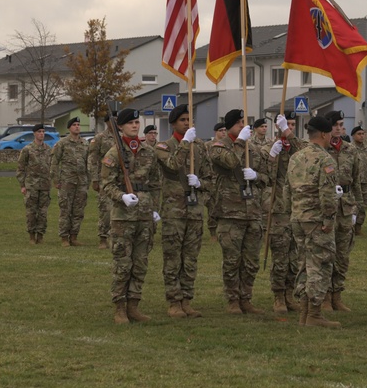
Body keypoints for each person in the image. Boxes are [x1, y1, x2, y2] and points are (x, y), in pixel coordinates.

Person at [101, 108, 162, 324]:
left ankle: (134, 305)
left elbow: (155, 183)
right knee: (122, 262)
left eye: (137, 122)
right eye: (130, 123)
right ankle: (119, 307)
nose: (135, 126)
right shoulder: (113, 153)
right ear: (121, 127)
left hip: (144, 213)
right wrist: (122, 196)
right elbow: (106, 184)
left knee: (140, 261)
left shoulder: (148, 151)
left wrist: (155, 208)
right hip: (123, 215)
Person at [208, 109, 270, 315]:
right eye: (240, 123)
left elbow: (267, 177)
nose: (244, 126)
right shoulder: (218, 147)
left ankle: (246, 298)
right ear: (231, 126)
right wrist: (239, 143)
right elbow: (231, 161)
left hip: (252, 211)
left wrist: (256, 176)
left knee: (251, 260)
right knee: (232, 260)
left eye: (246, 122)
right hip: (230, 212)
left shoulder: (252, 149)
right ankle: (233, 300)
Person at [288, 115, 341, 328]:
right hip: (317, 220)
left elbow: (286, 188)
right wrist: (329, 219)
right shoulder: (325, 159)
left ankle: (304, 312)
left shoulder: (295, 157)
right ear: (323, 134)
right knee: (320, 264)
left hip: (298, 217)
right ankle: (315, 314)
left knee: (304, 264)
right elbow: (327, 193)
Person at [154, 104, 206, 319]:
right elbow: (174, 165)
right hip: (174, 210)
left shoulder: (200, 146)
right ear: (173, 123)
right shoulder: (163, 147)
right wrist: (185, 143)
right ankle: (174, 301)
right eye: (183, 120)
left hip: (194, 210)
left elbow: (211, 176)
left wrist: (201, 182)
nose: (187, 123)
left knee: (191, 258)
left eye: (189, 119)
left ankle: (187, 299)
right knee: (173, 257)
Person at [322, 110, 361, 313]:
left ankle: (337, 294)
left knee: (342, 254)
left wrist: (357, 207)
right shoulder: (321, 149)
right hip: (326, 205)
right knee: (326, 252)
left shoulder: (350, 150)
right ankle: (325, 297)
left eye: (340, 124)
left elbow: (357, 180)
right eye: (335, 124)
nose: (339, 128)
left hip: (345, 206)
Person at [264, 111, 303, 314]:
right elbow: (263, 176)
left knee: (294, 255)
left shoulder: (298, 146)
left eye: (293, 124)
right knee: (280, 254)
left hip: (297, 207)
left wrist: (288, 134)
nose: (290, 126)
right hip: (278, 208)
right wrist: (271, 157)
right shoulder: (269, 145)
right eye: (286, 124)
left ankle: (290, 293)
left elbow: (307, 153)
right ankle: (278, 295)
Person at [50, 117, 90, 247]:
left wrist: (89, 179)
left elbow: (89, 162)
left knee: (78, 210)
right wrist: (55, 179)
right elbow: (55, 162)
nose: (77, 127)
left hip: (81, 182)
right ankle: (64, 238)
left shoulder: (85, 144)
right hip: (67, 181)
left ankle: (74, 236)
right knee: (65, 210)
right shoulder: (62, 143)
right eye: (74, 125)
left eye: (78, 124)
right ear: (69, 128)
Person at [16, 123, 53, 245]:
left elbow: (52, 166)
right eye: (39, 132)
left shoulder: (48, 149)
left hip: (45, 186)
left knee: (43, 212)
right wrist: (22, 185)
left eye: (43, 132)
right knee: (31, 212)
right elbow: (20, 168)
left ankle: (40, 235)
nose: (41, 134)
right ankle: (32, 235)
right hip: (31, 185)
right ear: (34, 134)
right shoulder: (27, 149)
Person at [88, 117, 115, 249]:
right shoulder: (100, 138)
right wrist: (94, 179)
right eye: (112, 120)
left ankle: (114, 237)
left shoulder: (122, 137)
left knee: (119, 209)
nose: (114, 122)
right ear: (107, 122)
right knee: (105, 209)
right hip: (104, 178)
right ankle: (103, 238)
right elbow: (93, 159)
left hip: (119, 179)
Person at [350, 125, 367, 234]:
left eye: (363, 134)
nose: (362, 136)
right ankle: (351, 226)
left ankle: (359, 225)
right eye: (359, 134)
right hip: (354, 181)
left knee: (364, 204)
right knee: (354, 204)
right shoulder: (350, 149)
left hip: (365, 181)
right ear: (353, 136)